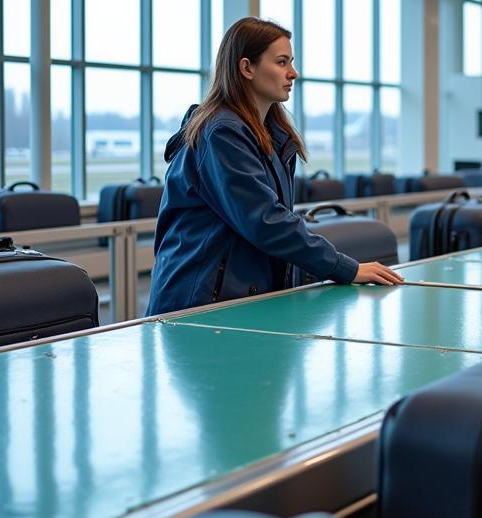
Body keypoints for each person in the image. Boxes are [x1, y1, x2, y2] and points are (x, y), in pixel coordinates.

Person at [147, 17, 403, 315]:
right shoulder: (221, 133)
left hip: (238, 298)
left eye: (290, 62)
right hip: (199, 303)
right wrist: (343, 267)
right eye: (281, 62)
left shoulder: (270, 134)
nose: (292, 73)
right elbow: (265, 220)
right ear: (247, 68)